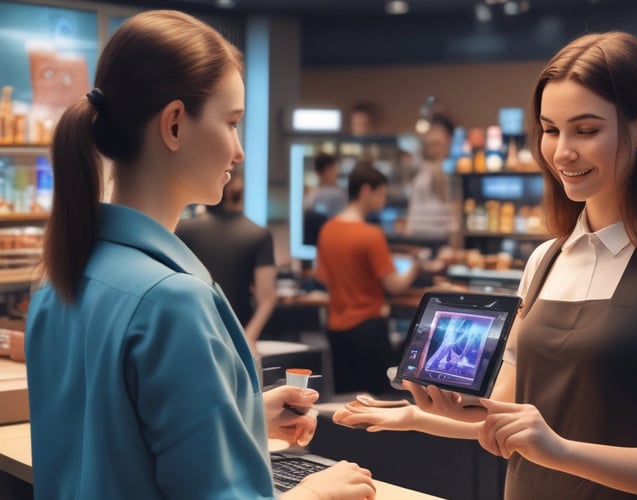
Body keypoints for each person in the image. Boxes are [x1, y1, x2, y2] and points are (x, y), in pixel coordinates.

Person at [334, 31, 637, 500]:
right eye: (550, 130)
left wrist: (558, 450)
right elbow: (509, 413)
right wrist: (420, 416)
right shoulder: (545, 259)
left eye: (586, 130)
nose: (562, 152)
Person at [24, 10, 375, 500]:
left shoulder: (60, 276)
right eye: (231, 123)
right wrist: (315, 493)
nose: (239, 150)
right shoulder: (172, 302)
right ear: (174, 125)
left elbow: (114, 438)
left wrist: (239, 415)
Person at [316, 161, 420, 396]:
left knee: (346, 401)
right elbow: (394, 285)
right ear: (366, 190)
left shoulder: (327, 229)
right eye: (381, 194)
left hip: (336, 329)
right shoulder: (371, 235)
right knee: (378, 401)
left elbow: (322, 277)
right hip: (368, 328)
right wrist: (416, 267)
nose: (384, 200)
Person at [176, 170, 277, 358]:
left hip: (193, 332)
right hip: (238, 331)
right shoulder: (259, 234)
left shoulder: (184, 228)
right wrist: (248, 339)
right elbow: (267, 298)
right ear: (238, 189)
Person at [405, 113, 459, 241]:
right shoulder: (420, 166)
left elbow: (453, 204)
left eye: (438, 132)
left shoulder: (452, 168)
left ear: (449, 138)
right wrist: (409, 225)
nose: (432, 137)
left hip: (441, 235)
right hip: (417, 232)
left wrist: (454, 233)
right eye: (432, 131)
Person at [304, 152, 347, 219]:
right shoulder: (338, 195)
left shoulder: (309, 196)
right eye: (334, 169)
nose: (337, 173)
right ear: (327, 170)